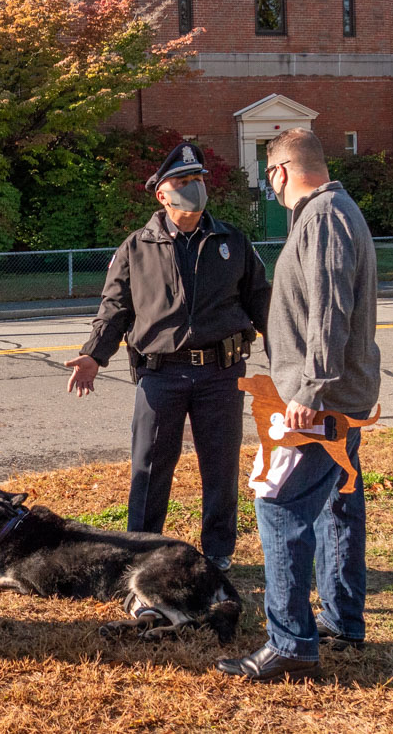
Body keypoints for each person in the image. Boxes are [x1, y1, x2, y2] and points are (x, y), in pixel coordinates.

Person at [217, 127, 380, 682]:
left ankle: (291, 644)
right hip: (334, 398)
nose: (272, 189)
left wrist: (310, 392)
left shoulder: (324, 216)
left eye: (270, 179)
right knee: (337, 507)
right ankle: (342, 622)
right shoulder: (332, 211)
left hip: (320, 400)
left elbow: (329, 310)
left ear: (280, 172)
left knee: (279, 505)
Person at [65, 142, 270, 571]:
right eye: (183, 181)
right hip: (161, 375)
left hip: (221, 372)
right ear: (162, 193)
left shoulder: (231, 240)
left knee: (220, 466)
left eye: (197, 180)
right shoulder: (136, 248)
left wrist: (286, 353)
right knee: (150, 466)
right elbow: (115, 308)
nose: (193, 188)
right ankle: (141, 550)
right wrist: (92, 356)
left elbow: (261, 303)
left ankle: (218, 553)